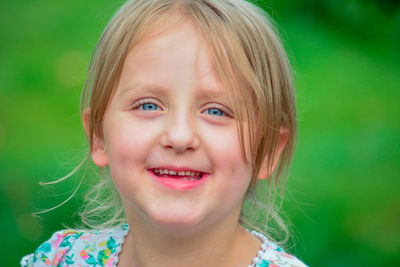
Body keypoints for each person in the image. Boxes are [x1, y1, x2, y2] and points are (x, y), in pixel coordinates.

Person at [21, 0, 307, 266]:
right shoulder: (59, 259)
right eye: (148, 105)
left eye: (216, 111)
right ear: (98, 136)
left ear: (267, 150)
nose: (179, 137)